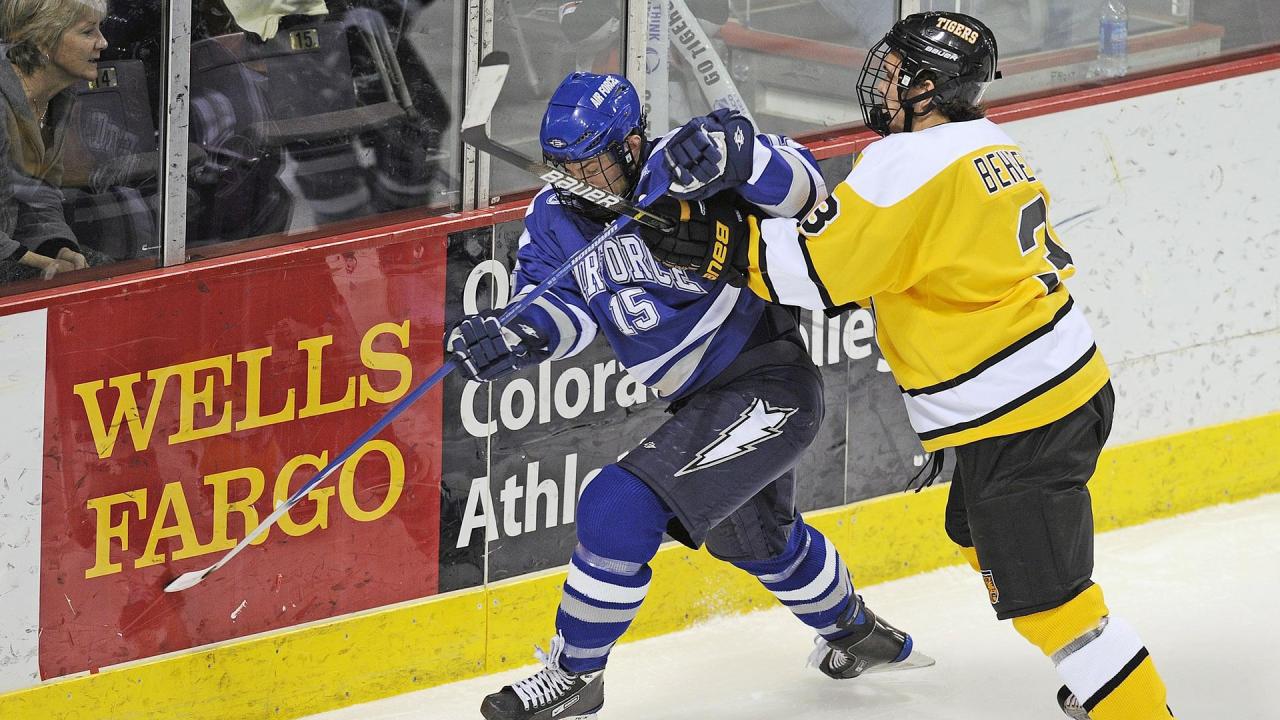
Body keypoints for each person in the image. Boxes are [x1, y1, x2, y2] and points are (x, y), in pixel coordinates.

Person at [639, 11, 1176, 720]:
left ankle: (1131, 704)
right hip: (1065, 383)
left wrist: (715, 244)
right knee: (974, 535)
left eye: (895, 74)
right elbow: (887, 258)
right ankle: (1108, 683)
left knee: (1059, 611)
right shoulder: (992, 145)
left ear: (928, 87)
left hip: (1024, 415)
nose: (883, 85)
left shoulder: (907, 163)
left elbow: (822, 273)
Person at [444, 71, 932, 720]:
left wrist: (746, 154)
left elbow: (810, 191)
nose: (578, 182)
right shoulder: (555, 216)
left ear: (632, 146)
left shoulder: (690, 163)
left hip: (770, 386)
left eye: (592, 165)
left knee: (616, 506)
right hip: (705, 405)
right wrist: (514, 337)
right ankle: (856, 632)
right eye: (562, 168)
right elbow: (563, 311)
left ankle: (575, 676)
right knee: (760, 543)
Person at [0, 0, 112, 282]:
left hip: (9, 250)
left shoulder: (57, 99)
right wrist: (38, 262)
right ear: (42, 39)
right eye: (88, 32)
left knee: (103, 271)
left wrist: (57, 247)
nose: (103, 43)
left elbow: (39, 194)